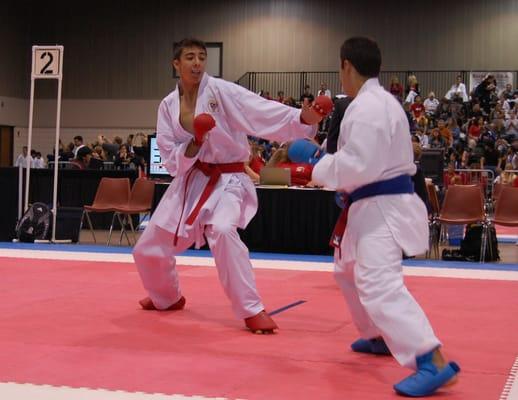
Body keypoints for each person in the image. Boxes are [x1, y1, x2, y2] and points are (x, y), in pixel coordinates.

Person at [289, 37, 460, 397]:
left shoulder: (369, 107)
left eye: (339, 68)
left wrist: (319, 166)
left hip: (383, 206)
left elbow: (358, 165)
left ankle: (431, 357)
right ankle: (376, 334)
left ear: (346, 66)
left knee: (379, 284)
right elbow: (359, 162)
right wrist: (330, 169)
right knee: (346, 269)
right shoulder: (372, 103)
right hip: (370, 202)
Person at [132, 38, 327, 334]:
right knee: (147, 249)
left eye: (201, 57)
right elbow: (171, 159)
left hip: (228, 179)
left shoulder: (221, 91)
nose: (197, 63)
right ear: (176, 64)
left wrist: (301, 118)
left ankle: (251, 309)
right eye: (189, 57)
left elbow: (258, 110)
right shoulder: (168, 105)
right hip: (190, 182)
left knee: (223, 230)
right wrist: (196, 142)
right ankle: (167, 297)